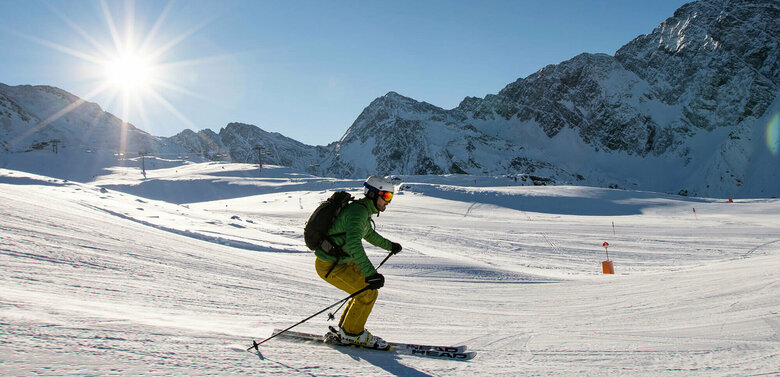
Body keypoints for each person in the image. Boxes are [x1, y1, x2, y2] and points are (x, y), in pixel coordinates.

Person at [314, 176, 403, 349]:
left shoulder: (362, 210)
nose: (388, 202)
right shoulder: (358, 212)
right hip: (330, 265)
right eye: (386, 197)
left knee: (367, 291)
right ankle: (352, 334)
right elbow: (354, 243)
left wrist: (390, 246)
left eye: (390, 197)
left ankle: (347, 331)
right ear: (373, 194)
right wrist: (371, 274)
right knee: (366, 293)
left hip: (341, 261)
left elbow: (368, 234)